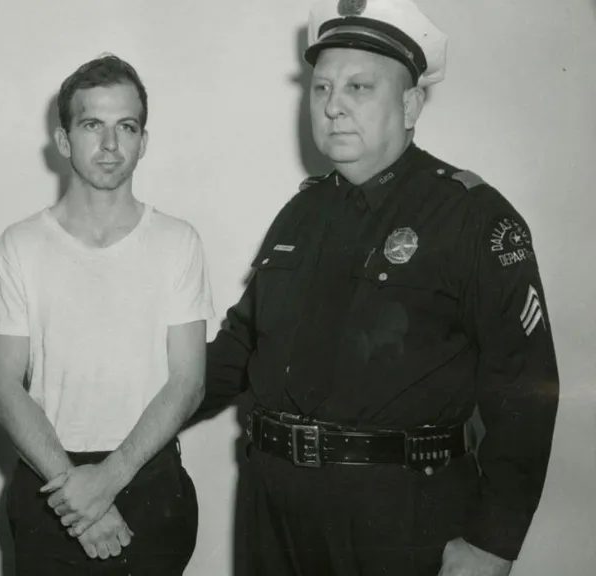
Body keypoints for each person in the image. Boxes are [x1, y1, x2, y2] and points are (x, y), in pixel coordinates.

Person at [202, 1, 559, 575]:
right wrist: (137, 421)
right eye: (322, 88)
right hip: (274, 512)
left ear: (410, 105)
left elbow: (525, 387)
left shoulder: (471, 216)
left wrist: (493, 543)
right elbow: (238, 350)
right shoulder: (300, 214)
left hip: (399, 517)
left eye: (359, 87)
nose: (333, 106)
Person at [0, 54, 213, 575]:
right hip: (50, 480)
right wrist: (77, 495)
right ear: (63, 140)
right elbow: (1, 387)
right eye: (92, 125)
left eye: (126, 127)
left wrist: (108, 480)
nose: (110, 144)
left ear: (143, 141)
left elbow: (189, 382)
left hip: (148, 478)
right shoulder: (21, 244)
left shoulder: (178, 241)